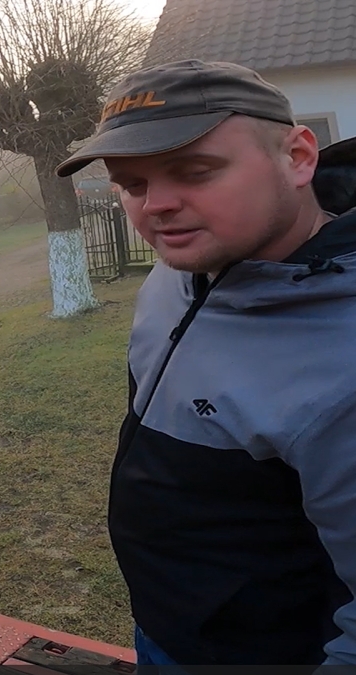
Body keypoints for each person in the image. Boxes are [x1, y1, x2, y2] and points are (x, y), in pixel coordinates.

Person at [55, 59, 356, 666]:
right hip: (170, 631)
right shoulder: (178, 274)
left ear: (298, 157)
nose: (156, 206)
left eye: (195, 171)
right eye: (132, 185)